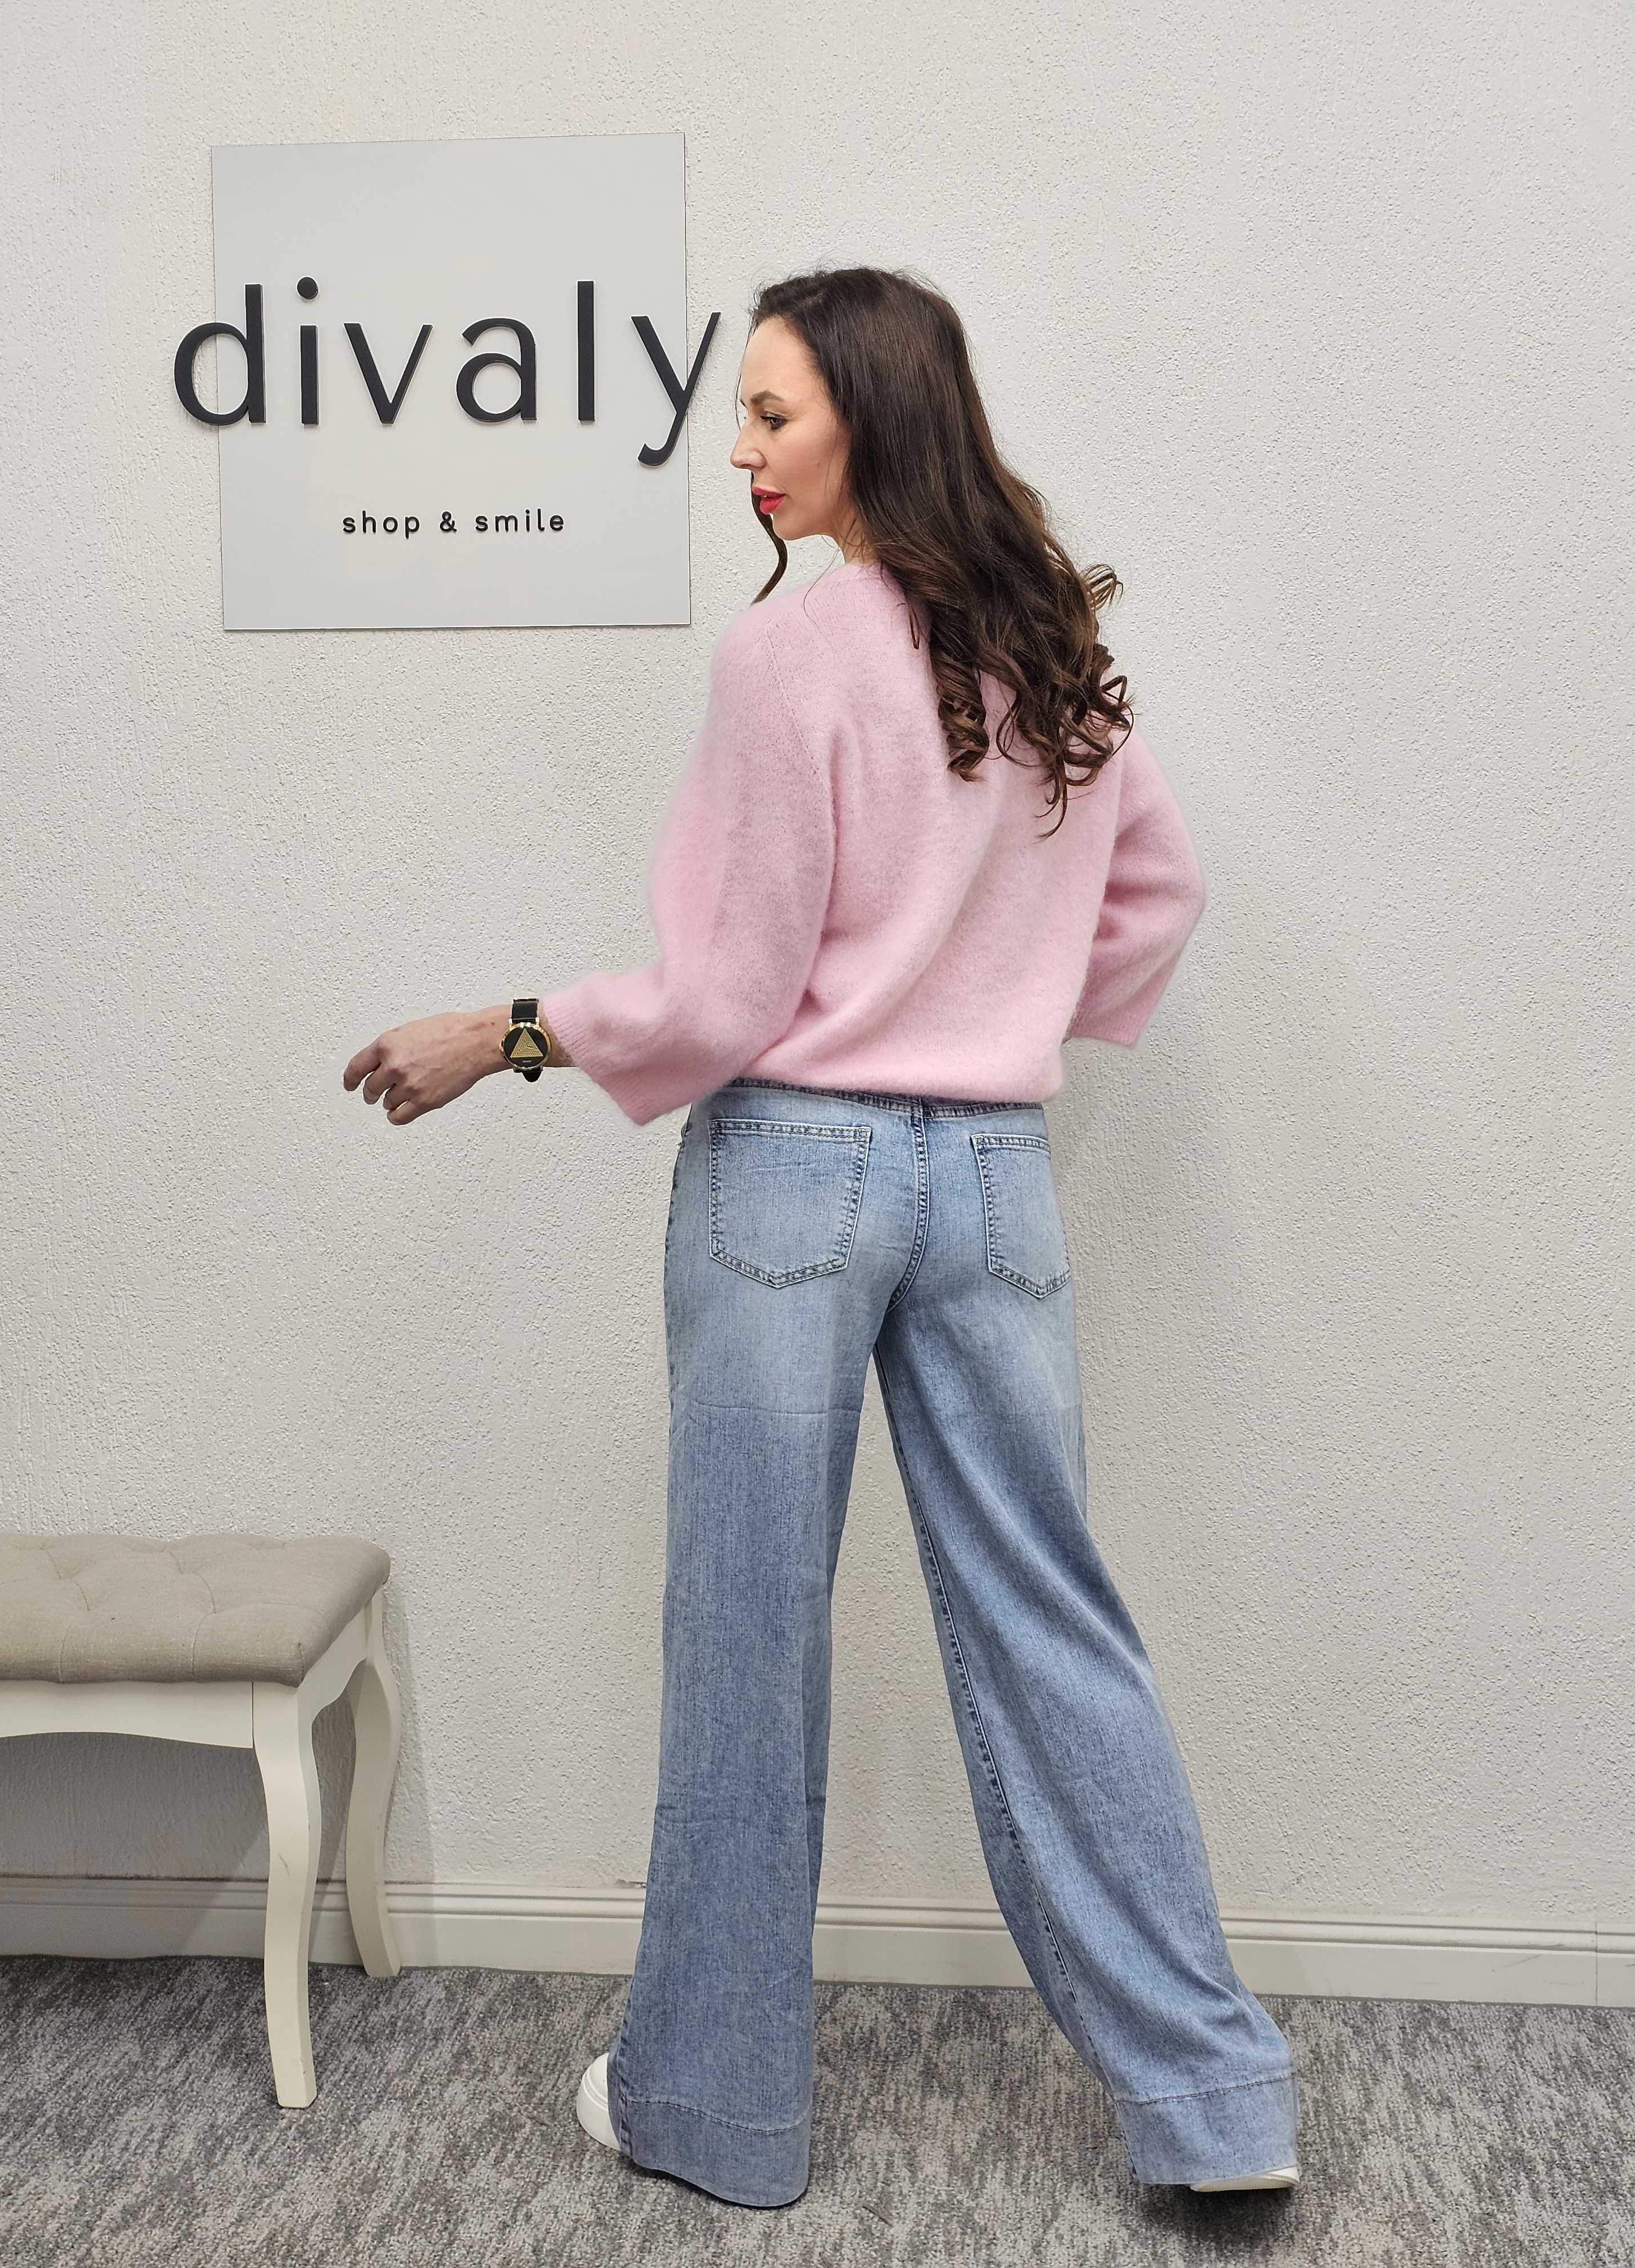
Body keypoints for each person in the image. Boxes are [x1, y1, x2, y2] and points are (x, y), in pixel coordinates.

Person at [342, 266, 1299, 2209]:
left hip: (794, 1171)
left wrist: (505, 1034)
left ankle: (717, 2110)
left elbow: (726, 997)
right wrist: (997, 1006)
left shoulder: (791, 656)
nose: (742, 452)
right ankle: (1218, 2112)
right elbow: (1161, 896)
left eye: (774, 414)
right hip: (994, 1182)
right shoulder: (1044, 645)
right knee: (1054, 1621)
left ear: (872, 415)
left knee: (747, 1634)